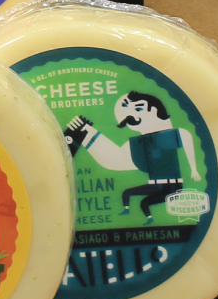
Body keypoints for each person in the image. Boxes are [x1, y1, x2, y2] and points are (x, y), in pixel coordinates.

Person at [63, 91, 200, 223]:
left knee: (144, 202)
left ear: (154, 109)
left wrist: (194, 170)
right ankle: (132, 212)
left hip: (172, 187)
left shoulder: (174, 134)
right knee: (129, 194)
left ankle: (147, 220)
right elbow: (114, 159)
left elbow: (187, 141)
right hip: (156, 185)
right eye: (127, 116)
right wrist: (83, 133)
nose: (132, 117)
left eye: (138, 109)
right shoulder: (140, 143)